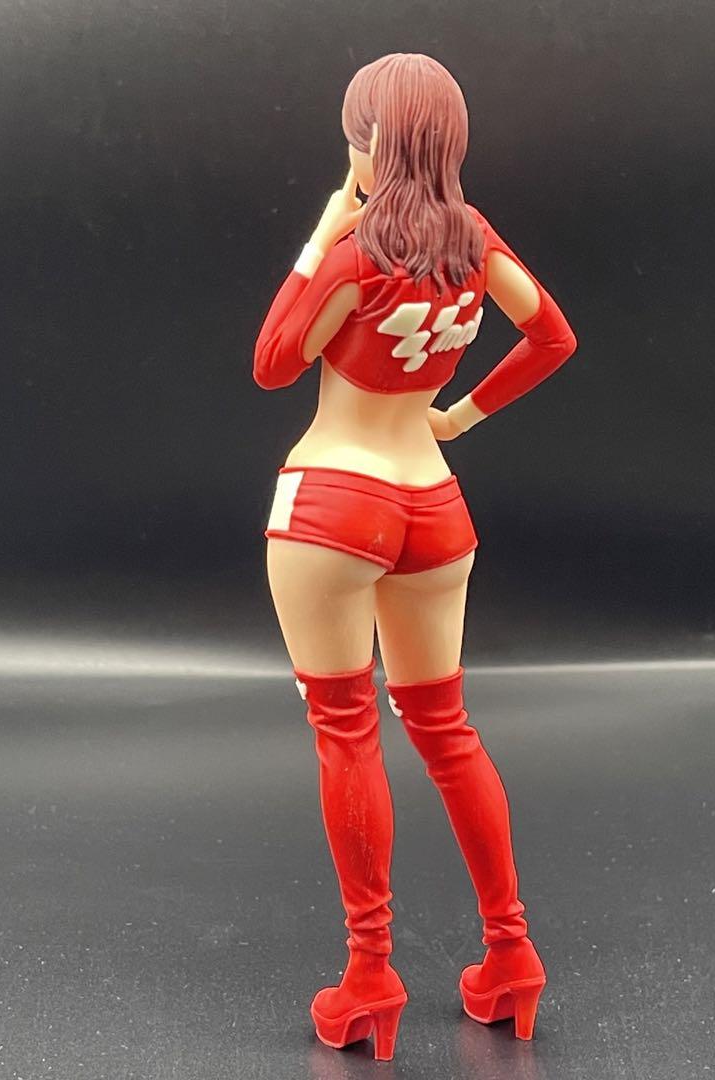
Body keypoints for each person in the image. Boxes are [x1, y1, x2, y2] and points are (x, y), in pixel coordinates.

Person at [253, 52, 578, 1060]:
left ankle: (370, 976)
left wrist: (318, 235)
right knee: (446, 729)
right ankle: (511, 955)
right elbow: (552, 337)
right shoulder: (473, 241)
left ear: (371, 145)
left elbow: (272, 362)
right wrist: (459, 416)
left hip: (334, 503)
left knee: (347, 731)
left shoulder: (353, 255)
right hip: (434, 505)